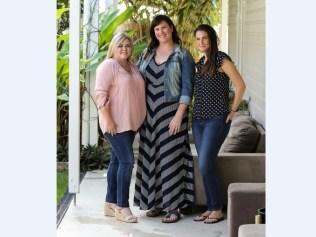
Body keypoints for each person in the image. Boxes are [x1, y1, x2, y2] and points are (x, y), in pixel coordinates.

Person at [133, 15, 195, 223]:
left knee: (170, 159)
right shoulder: (147, 54)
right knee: (152, 158)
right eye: (157, 29)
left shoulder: (182, 55)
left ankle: (173, 207)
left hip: (171, 115)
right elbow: (135, 78)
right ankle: (156, 203)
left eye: (164, 28)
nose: (161, 32)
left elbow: (187, 88)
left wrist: (179, 114)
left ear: (171, 28)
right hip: (149, 116)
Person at [192, 24, 246, 224]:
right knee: (206, 164)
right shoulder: (199, 63)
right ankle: (211, 206)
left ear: (212, 39)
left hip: (217, 119)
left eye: (205, 38)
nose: (201, 42)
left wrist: (232, 111)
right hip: (197, 120)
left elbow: (240, 85)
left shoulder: (221, 59)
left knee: (205, 163)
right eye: (198, 39)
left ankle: (217, 208)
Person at [95, 32, 146, 223]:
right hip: (115, 124)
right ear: (113, 48)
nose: (124, 48)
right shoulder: (108, 66)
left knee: (116, 162)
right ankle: (122, 206)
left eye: (127, 45)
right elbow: (100, 94)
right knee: (126, 162)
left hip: (130, 124)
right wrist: (107, 120)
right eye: (120, 45)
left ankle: (110, 203)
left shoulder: (132, 66)